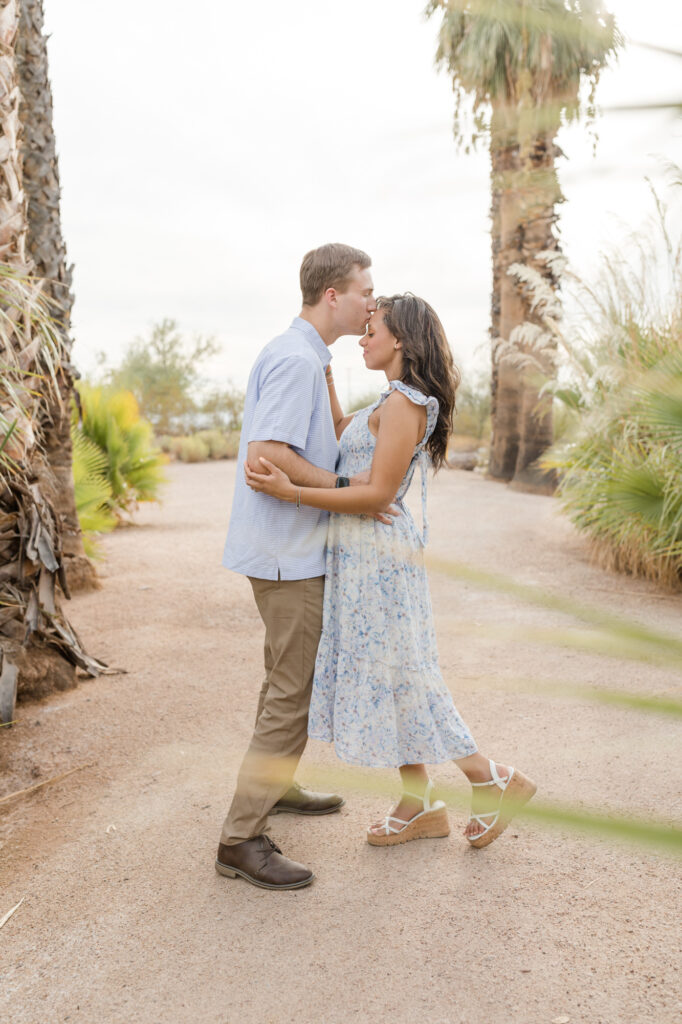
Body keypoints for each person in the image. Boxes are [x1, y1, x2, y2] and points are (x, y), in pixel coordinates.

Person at [245, 293, 537, 849]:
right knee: (393, 675)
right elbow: (339, 433)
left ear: (400, 339)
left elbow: (377, 492)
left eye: (372, 329)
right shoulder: (389, 399)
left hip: (380, 558)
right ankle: (419, 799)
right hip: (361, 557)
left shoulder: (406, 404)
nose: (363, 337)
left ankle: (491, 778)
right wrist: (326, 376)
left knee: (407, 674)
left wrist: (292, 491)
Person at [216, 243, 398, 891]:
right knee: (290, 695)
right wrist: (345, 485)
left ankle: (277, 786)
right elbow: (268, 453)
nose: (371, 301)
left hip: (284, 549)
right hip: (286, 556)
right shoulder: (296, 360)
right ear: (332, 296)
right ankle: (240, 837)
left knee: (282, 682)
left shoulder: (302, 356)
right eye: (363, 290)